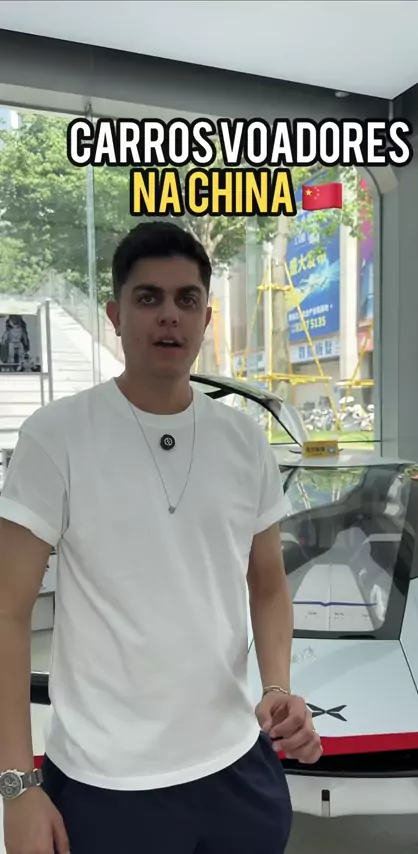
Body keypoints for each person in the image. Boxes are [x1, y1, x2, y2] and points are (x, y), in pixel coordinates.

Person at [0, 221, 322, 854]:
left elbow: (268, 585)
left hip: (239, 769)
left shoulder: (243, 440)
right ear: (115, 316)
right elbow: (7, 613)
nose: (169, 315)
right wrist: (16, 786)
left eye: (186, 299)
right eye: (148, 298)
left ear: (206, 318)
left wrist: (278, 688)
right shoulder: (57, 437)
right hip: (105, 785)